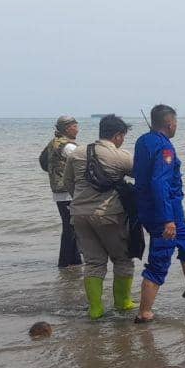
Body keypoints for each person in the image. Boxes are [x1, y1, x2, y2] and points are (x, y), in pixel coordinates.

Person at [133, 104, 185, 323]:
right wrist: (167, 219)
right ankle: (144, 313)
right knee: (159, 260)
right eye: (175, 123)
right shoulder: (164, 148)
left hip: (159, 210)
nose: (176, 127)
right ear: (169, 124)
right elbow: (159, 183)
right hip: (163, 213)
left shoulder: (143, 141)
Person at [63, 114, 136, 319]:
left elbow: (68, 183)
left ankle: (95, 309)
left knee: (94, 263)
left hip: (79, 215)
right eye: (123, 136)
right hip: (109, 216)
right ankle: (123, 302)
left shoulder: (77, 153)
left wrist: (83, 201)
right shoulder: (121, 156)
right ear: (118, 135)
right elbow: (142, 175)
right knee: (123, 259)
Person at [40, 115, 83, 268]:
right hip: (68, 192)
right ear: (67, 128)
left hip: (58, 191)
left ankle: (74, 262)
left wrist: (55, 173)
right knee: (70, 228)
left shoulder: (53, 143)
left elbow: (43, 162)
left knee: (71, 226)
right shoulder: (68, 147)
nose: (77, 129)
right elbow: (84, 163)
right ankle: (65, 263)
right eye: (75, 126)